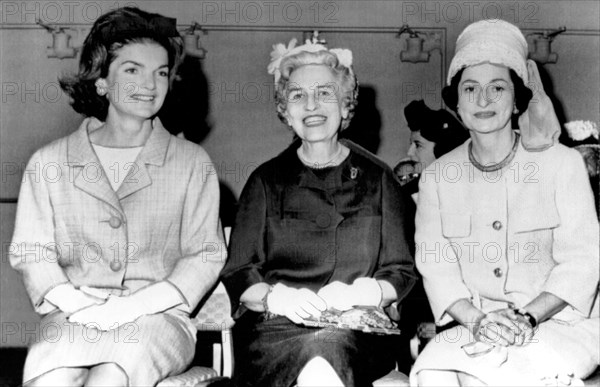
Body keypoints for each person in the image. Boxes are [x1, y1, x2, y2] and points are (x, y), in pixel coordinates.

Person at [9, 7, 225, 386]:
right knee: (51, 376)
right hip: (73, 316)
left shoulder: (192, 163)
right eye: (132, 70)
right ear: (101, 81)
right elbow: (32, 252)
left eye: (160, 72)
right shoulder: (49, 162)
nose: (150, 83)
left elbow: (204, 257)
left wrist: (134, 306)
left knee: (112, 374)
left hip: (158, 318)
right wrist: (78, 304)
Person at [410, 19, 599, 386]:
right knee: (433, 375)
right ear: (456, 103)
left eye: (497, 87)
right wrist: (478, 320)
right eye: (470, 89)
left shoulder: (563, 165)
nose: (483, 101)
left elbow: (583, 260)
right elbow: (437, 268)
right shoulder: (436, 178)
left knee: (489, 378)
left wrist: (525, 318)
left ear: (517, 100)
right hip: (474, 323)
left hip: (556, 324)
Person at [220, 38, 416, 386]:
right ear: (285, 110)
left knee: (328, 354)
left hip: (359, 329)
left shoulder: (379, 179)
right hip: (274, 331)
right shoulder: (265, 181)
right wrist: (275, 297)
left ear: (345, 105)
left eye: (325, 93)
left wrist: (363, 293)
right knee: (317, 361)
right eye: (297, 95)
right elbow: (239, 272)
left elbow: (401, 271)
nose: (311, 104)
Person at [394, 100, 469, 373]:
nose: (409, 153)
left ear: (445, 151)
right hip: (412, 318)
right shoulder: (404, 194)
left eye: (418, 145)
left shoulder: (469, 201)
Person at [399, 99, 469, 196]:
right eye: (411, 145)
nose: (410, 152)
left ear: (442, 151)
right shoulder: (407, 194)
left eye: (418, 145)